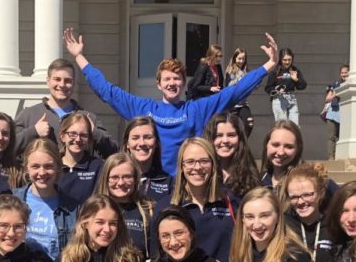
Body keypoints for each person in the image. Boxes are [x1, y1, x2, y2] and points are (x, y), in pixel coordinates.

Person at [65, 28, 278, 176]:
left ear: (184, 83)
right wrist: (80, 58)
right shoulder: (144, 109)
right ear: (158, 84)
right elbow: (107, 91)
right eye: (167, 79)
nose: (172, 83)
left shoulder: (197, 109)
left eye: (177, 79)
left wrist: (269, 65)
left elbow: (234, 92)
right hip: (150, 183)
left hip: (186, 185)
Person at [14, 58, 118, 158]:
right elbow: (8, 149)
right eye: (57, 79)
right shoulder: (28, 115)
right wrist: (33, 132)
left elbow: (113, 152)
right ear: (48, 81)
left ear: (73, 83)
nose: (62, 85)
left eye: (67, 80)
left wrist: (95, 133)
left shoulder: (89, 118)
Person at [171, 137, 238, 262]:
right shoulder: (169, 206)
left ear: (213, 164)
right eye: (190, 162)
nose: (197, 167)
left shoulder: (231, 202)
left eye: (204, 161)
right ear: (181, 166)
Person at [12, 139, 79, 260]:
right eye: (35, 166)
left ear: (58, 167)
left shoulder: (73, 208)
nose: (42, 173)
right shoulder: (12, 201)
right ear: (26, 168)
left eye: (48, 166)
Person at [96, 152, 158, 259]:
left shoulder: (149, 209)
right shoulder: (94, 209)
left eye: (127, 177)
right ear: (105, 179)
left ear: (135, 179)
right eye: (114, 177)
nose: (120, 183)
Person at [202, 112, 261, 200]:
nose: (225, 140)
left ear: (240, 139)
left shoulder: (250, 176)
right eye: (219, 135)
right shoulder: (202, 173)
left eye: (231, 135)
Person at [121, 117, 174, 203]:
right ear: (127, 143)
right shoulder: (115, 178)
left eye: (148, 137)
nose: (142, 143)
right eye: (135, 138)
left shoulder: (168, 182)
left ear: (156, 142)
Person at [58, 111, 104, 205]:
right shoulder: (53, 165)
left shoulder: (98, 166)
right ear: (63, 137)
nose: (78, 139)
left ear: (89, 139)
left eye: (83, 135)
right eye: (72, 134)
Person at [265, 48, 307, 122]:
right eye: (285, 60)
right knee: (283, 126)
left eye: (289, 59)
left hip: (292, 99)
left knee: (294, 127)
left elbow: (303, 86)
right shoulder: (275, 71)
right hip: (279, 100)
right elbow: (268, 88)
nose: (287, 62)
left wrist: (296, 80)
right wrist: (277, 90)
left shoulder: (294, 70)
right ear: (280, 59)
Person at [225, 47, 254, 137]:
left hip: (243, 104)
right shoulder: (231, 70)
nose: (241, 61)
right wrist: (240, 79)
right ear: (234, 58)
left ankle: (242, 142)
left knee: (249, 123)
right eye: (239, 58)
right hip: (233, 105)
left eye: (243, 59)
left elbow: (249, 87)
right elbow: (229, 85)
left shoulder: (246, 71)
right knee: (234, 127)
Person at [322, 63, 349, 159]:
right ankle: (331, 157)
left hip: (346, 114)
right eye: (342, 73)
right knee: (331, 136)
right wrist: (336, 93)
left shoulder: (352, 84)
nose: (344, 74)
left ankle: (341, 157)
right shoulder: (335, 84)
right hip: (333, 113)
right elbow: (327, 99)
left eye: (346, 72)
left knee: (342, 137)